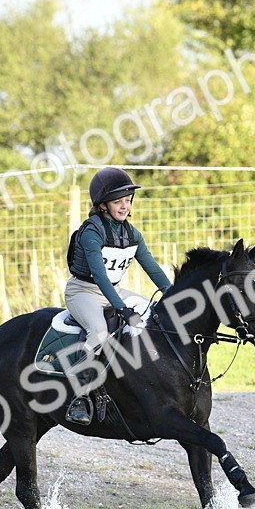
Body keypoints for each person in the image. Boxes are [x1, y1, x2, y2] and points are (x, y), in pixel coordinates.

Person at [63, 166, 172, 425]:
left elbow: (152, 267)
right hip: (83, 291)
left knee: (152, 315)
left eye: (128, 200)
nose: (125, 206)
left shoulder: (132, 234)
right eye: (118, 201)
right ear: (103, 205)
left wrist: (172, 293)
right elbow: (99, 276)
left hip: (113, 289)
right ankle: (79, 397)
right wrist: (121, 308)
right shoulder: (91, 232)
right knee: (99, 331)